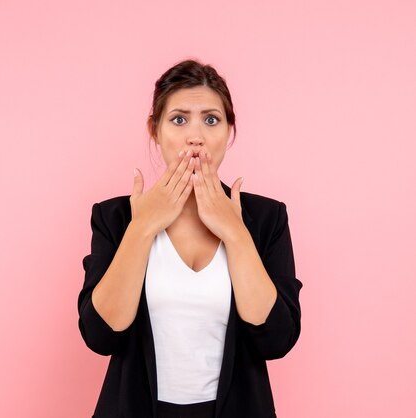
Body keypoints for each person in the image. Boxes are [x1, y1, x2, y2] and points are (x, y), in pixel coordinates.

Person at [78, 59, 303, 418]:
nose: (195, 135)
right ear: (155, 129)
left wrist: (234, 232)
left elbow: (276, 340)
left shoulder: (265, 219)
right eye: (179, 119)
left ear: (230, 130)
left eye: (211, 119)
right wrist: (142, 229)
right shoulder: (116, 217)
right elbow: (101, 336)